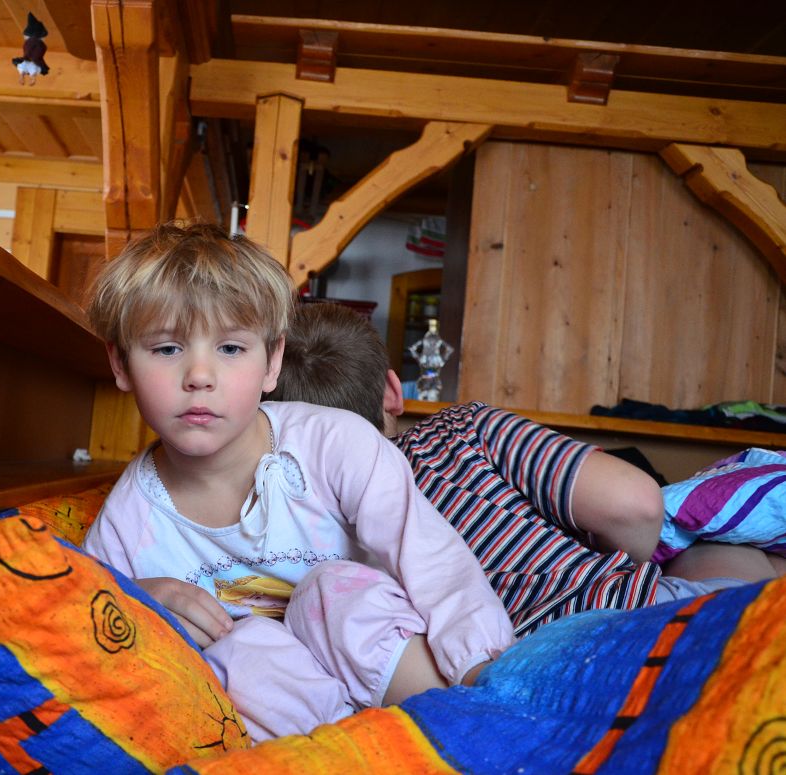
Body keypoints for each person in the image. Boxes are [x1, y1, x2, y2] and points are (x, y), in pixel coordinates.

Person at [81, 222, 516, 743]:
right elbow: (90, 635)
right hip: (300, 725)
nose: (199, 375)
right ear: (120, 364)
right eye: (167, 349)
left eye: (231, 348)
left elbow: (434, 562)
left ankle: (473, 732)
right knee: (240, 651)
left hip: (393, 673)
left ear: (273, 363)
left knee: (334, 591)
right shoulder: (126, 524)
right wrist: (138, 599)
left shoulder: (335, 443)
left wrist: (485, 671)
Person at [267, 302, 780, 635]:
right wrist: (630, 563)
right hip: (627, 618)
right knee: (725, 542)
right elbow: (637, 505)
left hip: (517, 660)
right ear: (392, 392)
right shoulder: (460, 430)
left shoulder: (302, 522)